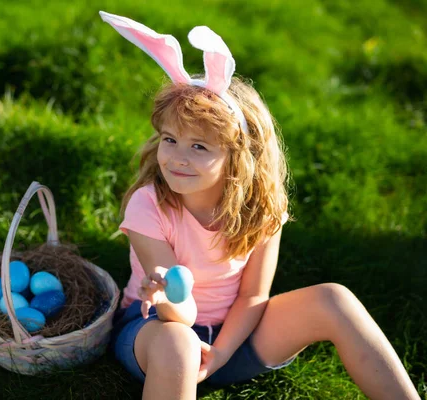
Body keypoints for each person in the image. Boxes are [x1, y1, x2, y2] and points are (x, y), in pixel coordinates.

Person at [99, 10, 421, 400]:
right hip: (156, 334)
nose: (177, 158)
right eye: (170, 140)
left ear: (239, 156)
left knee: (333, 299)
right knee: (179, 344)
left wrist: (220, 354)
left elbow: (253, 296)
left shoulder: (262, 211)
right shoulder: (149, 205)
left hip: (234, 336)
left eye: (199, 146)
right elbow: (176, 313)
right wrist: (167, 295)